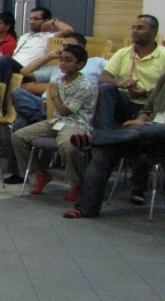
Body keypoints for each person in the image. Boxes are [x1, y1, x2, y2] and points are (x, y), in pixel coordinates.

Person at [65, 73, 165, 219]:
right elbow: (148, 108)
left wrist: (146, 125)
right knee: (105, 150)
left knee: (158, 128)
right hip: (145, 135)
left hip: (159, 138)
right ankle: (86, 208)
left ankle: (96, 137)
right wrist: (140, 120)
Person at [91, 14, 165, 204]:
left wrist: (146, 91)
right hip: (126, 104)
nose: (134, 31)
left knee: (143, 140)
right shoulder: (123, 53)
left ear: (154, 32)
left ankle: (138, 188)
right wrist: (121, 83)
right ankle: (104, 133)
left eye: (140, 28)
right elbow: (103, 78)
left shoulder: (163, 56)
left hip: (151, 109)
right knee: (107, 88)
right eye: (133, 27)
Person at [11, 43, 95, 200]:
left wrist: (53, 95)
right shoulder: (61, 79)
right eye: (61, 59)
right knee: (19, 136)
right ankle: (41, 174)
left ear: (80, 64)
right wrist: (47, 102)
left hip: (76, 123)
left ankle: (77, 183)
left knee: (69, 145)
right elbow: (26, 73)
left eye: (68, 60)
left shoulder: (83, 85)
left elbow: (65, 111)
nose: (62, 63)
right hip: (57, 121)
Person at [0, 7, 74, 86]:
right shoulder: (24, 36)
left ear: (46, 21)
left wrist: (54, 21)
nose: (32, 22)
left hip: (28, 73)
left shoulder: (50, 37)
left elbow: (69, 30)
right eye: (30, 18)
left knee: (4, 59)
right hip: (14, 69)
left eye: (36, 19)